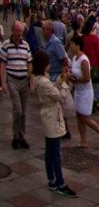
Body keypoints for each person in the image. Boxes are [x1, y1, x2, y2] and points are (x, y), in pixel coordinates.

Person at [31, 51, 78, 197]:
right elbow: (58, 95)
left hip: (48, 116)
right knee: (55, 153)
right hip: (52, 117)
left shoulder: (39, 79)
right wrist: (64, 81)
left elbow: (53, 89)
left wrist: (59, 79)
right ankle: (60, 183)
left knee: (49, 151)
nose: (50, 65)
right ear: (43, 65)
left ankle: (51, 180)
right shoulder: (43, 82)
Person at [67, 36, 99, 149]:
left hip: (85, 92)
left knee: (85, 117)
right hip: (78, 91)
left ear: (77, 45)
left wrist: (75, 79)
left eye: (72, 44)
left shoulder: (83, 59)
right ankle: (83, 140)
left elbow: (87, 78)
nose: (70, 46)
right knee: (78, 116)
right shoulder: (74, 58)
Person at [1, 21, 33, 149]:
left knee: (24, 111)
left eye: (21, 31)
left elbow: (29, 62)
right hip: (12, 79)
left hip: (24, 80)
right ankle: (15, 136)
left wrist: (31, 78)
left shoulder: (26, 45)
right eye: (17, 31)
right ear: (13, 31)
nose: (20, 33)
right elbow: (2, 64)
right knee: (18, 109)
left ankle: (21, 136)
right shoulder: (6, 45)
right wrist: (3, 83)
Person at [80, 19, 99, 110]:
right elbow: (98, 53)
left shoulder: (81, 38)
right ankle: (94, 102)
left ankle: (88, 102)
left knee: (86, 85)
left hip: (84, 65)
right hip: (94, 65)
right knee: (95, 85)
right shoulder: (95, 38)